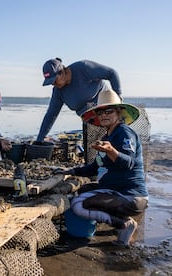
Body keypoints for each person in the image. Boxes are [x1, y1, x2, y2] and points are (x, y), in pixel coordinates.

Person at [53, 89, 148, 246]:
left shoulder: (124, 133)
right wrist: (70, 171)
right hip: (116, 191)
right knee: (83, 190)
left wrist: (111, 150)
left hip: (132, 197)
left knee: (78, 205)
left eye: (109, 111)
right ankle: (117, 220)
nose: (104, 115)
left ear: (119, 113)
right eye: (100, 112)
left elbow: (128, 164)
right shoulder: (106, 137)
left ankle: (124, 224)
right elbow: (94, 168)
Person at [36, 57, 122, 143]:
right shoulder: (58, 91)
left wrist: (118, 98)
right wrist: (40, 138)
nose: (53, 84)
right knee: (92, 151)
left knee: (115, 144)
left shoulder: (83, 68)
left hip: (106, 112)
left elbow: (112, 73)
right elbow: (51, 114)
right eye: (51, 82)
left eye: (54, 80)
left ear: (62, 72)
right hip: (88, 119)